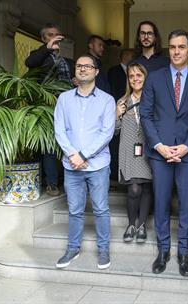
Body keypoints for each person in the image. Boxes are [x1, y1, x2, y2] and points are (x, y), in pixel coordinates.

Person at [140, 29, 188, 277]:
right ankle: (163, 251)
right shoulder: (154, 78)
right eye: (172, 47)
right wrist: (159, 145)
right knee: (160, 204)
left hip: (187, 154)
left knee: (186, 204)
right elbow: (146, 116)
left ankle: (183, 253)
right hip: (160, 153)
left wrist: (187, 145)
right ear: (168, 49)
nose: (177, 51)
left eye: (181, 47)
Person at [54, 54, 116, 270]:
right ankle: (73, 248)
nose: (82, 69)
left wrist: (83, 155)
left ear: (96, 71)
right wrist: (73, 155)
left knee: (100, 208)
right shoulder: (64, 99)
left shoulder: (107, 100)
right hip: (71, 165)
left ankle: (103, 249)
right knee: (74, 210)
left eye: (87, 66)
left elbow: (106, 133)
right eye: (79, 66)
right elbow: (59, 131)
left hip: (97, 165)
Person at [25, 23, 75, 197]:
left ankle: (64, 179)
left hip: (67, 107)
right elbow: (29, 62)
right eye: (50, 35)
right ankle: (51, 184)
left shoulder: (67, 58)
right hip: (46, 106)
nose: (55, 38)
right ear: (43, 38)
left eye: (57, 35)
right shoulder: (38, 55)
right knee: (48, 145)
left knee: (68, 143)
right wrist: (47, 48)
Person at [115, 63, 152, 243]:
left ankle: (141, 225)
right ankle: (131, 224)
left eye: (139, 75)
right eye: (131, 76)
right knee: (134, 189)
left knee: (145, 188)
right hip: (129, 151)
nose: (135, 79)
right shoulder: (122, 101)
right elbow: (114, 131)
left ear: (145, 77)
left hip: (148, 149)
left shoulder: (153, 99)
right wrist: (117, 115)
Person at [108, 49, 134, 183]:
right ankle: (115, 174)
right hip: (120, 108)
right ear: (125, 56)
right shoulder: (114, 71)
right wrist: (117, 110)